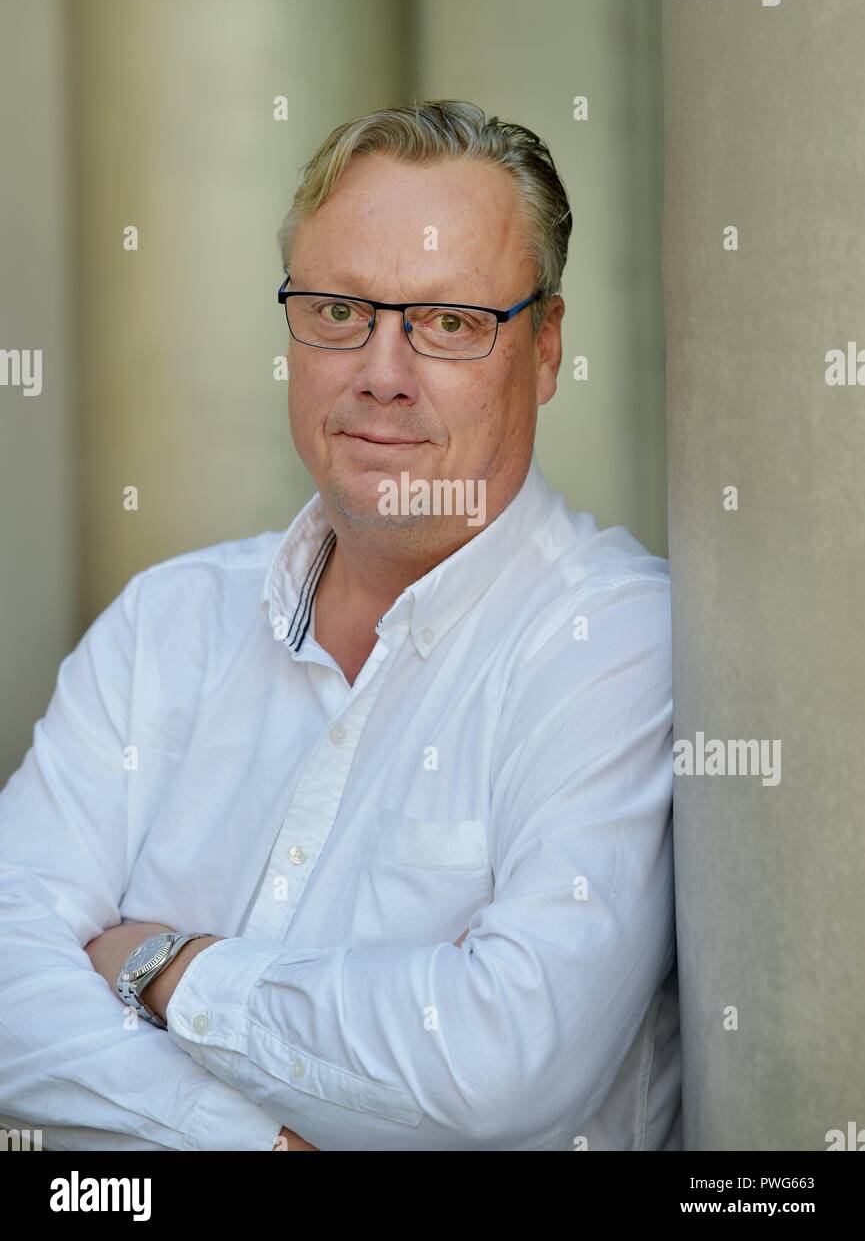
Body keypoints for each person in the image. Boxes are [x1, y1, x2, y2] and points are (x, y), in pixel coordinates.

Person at [0, 99, 680, 1150]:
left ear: (544, 348)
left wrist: (161, 965)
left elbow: (507, 1056)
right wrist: (251, 1142)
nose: (381, 370)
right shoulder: (163, 625)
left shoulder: (614, 643)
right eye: (336, 310)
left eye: (449, 322)